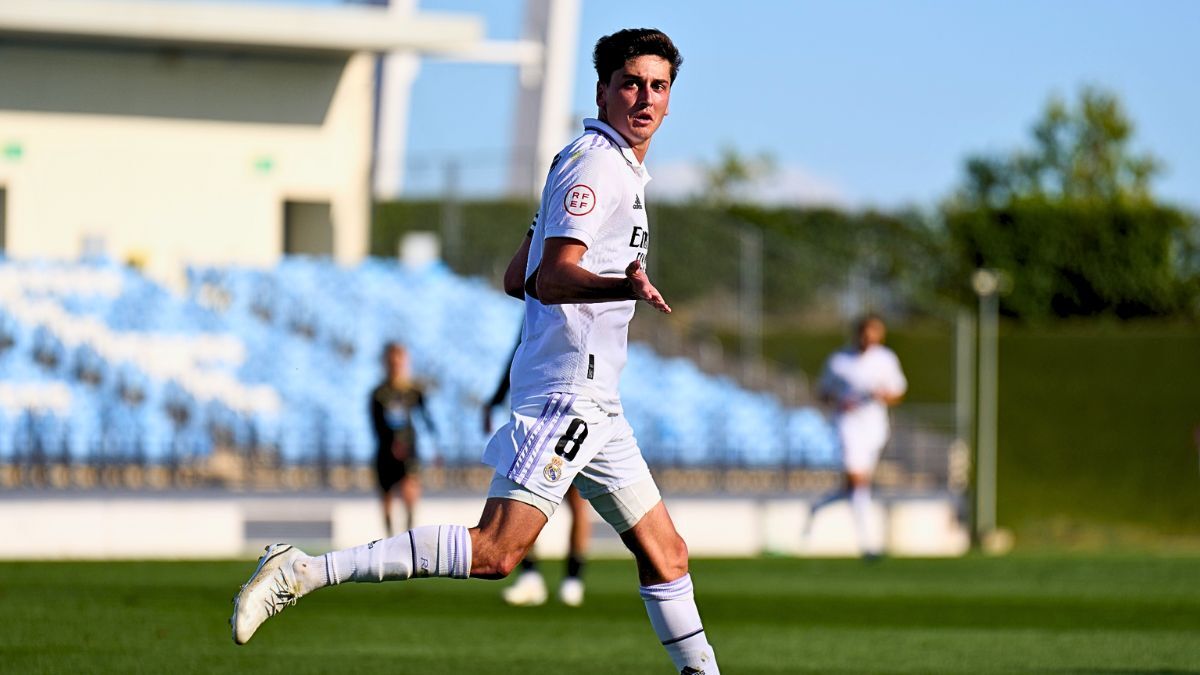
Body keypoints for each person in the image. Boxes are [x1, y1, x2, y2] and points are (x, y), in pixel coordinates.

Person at [231, 28, 720, 674]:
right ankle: (304, 570)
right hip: (568, 391)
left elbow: (515, 276)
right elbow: (549, 277)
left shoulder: (606, 167)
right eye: (631, 83)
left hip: (599, 400)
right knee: (495, 550)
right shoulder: (597, 163)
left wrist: (556, 237)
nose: (646, 98)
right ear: (602, 90)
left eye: (659, 86)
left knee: (668, 552)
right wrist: (617, 283)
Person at [485, 328, 590, 608]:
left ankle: (573, 578)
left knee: (576, 503)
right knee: (523, 497)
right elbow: (517, 356)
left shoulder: (577, 307)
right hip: (539, 418)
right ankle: (531, 576)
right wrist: (495, 400)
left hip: (573, 415)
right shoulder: (537, 305)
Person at [806, 314, 907, 559]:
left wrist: (883, 396)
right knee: (859, 481)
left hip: (875, 428)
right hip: (848, 426)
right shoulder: (839, 361)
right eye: (866, 333)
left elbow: (898, 392)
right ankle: (868, 545)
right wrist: (842, 402)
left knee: (855, 487)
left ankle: (817, 507)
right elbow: (823, 392)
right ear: (858, 334)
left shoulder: (886, 359)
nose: (870, 338)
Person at [370, 342, 434, 535]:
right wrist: (390, 443)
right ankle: (389, 538)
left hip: (409, 451)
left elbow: (427, 419)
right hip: (386, 451)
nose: (396, 366)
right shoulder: (379, 394)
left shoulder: (414, 392)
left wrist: (434, 446)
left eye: (400, 361)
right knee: (387, 497)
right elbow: (376, 424)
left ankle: (408, 537)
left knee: (410, 492)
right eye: (392, 362)